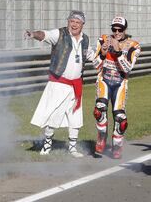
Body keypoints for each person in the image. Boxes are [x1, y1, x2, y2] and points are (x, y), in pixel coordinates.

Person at [24, 10, 93, 158]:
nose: (74, 24)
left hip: (76, 85)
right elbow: (45, 35)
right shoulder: (60, 34)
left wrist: (101, 59)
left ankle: (73, 148)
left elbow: (90, 54)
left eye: (77, 22)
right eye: (71, 21)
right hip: (59, 83)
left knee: (75, 117)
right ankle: (47, 144)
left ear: (82, 24)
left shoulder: (85, 39)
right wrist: (33, 34)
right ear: (68, 22)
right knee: (54, 116)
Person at [92, 16, 141, 159]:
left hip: (120, 83)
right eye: (114, 29)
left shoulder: (134, 45)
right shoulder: (103, 40)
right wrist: (102, 53)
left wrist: (118, 51)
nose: (117, 32)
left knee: (120, 118)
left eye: (120, 29)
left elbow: (128, 69)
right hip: (104, 80)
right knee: (99, 109)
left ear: (125, 29)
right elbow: (95, 65)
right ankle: (101, 137)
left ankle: (117, 145)